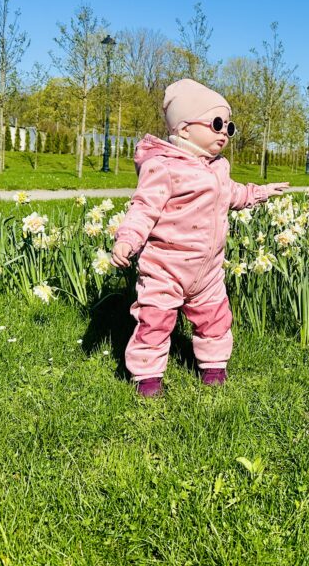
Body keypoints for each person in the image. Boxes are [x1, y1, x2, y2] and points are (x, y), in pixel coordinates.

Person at [111, 79, 289, 397]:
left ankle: (214, 369)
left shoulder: (217, 168)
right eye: (217, 123)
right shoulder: (163, 167)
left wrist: (260, 192)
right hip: (166, 267)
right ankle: (148, 378)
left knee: (215, 319)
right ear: (184, 129)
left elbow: (233, 193)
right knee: (155, 322)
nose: (224, 132)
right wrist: (127, 239)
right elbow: (143, 209)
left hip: (207, 271)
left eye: (229, 127)